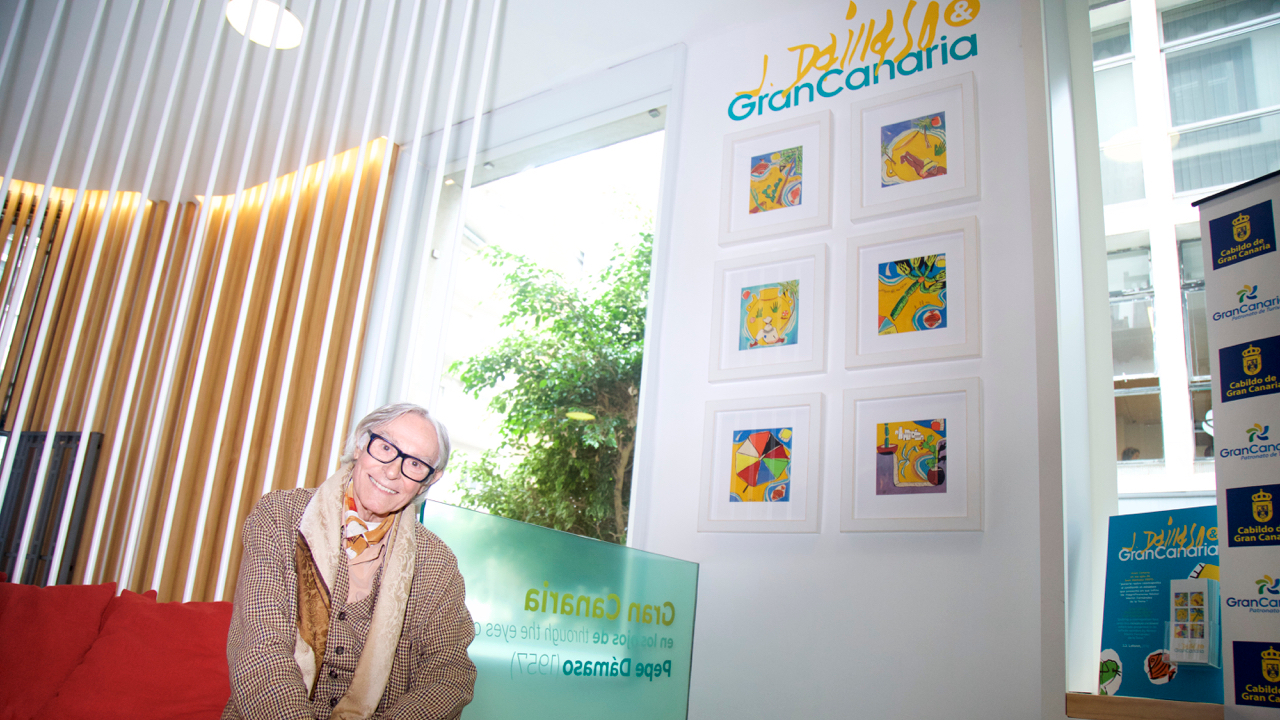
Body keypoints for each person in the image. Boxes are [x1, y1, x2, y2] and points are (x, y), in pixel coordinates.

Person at [224, 403, 476, 720]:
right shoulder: (279, 516)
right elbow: (259, 649)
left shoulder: (438, 565)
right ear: (360, 444)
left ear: (428, 480)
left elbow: (449, 674)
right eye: (385, 447)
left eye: (414, 464)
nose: (392, 471)